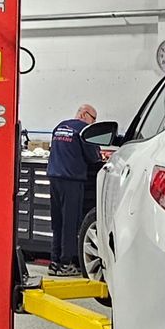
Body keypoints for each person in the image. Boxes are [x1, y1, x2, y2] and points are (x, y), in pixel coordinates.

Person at [45, 104, 101, 277]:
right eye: (93, 119)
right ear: (85, 114)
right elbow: (93, 157)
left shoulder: (60, 126)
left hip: (54, 177)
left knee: (58, 221)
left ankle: (54, 262)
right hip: (71, 180)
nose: (93, 123)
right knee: (70, 222)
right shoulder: (84, 130)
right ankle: (66, 263)